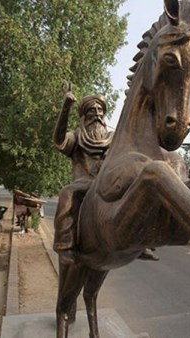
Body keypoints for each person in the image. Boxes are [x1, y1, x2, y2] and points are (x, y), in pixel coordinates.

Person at [52, 87, 113, 264]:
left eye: (100, 110)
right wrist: (66, 107)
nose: (97, 114)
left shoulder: (112, 138)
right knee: (67, 193)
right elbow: (59, 140)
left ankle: (139, 240)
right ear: (84, 115)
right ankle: (65, 245)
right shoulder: (77, 137)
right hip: (84, 182)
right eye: (92, 110)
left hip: (108, 182)